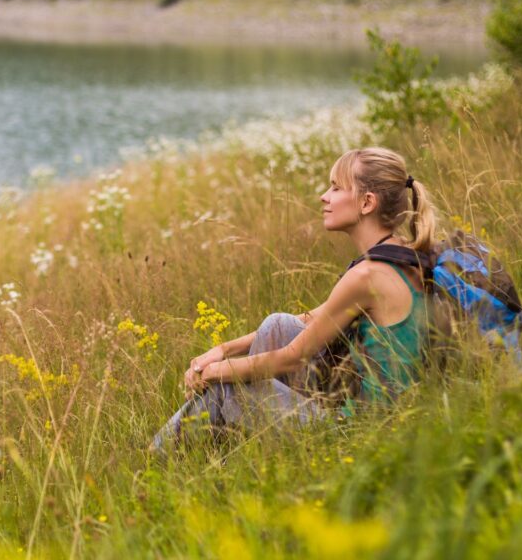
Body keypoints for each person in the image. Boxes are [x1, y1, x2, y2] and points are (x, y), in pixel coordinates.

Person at [151, 147, 437, 454]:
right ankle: (244, 449)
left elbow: (293, 357)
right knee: (278, 324)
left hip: (362, 436)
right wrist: (222, 350)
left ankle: (156, 459)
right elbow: (309, 320)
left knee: (228, 388)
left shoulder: (368, 276)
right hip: (383, 420)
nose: (324, 197)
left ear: (367, 203)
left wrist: (210, 373)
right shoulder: (403, 254)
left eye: (336, 188)